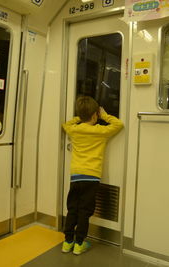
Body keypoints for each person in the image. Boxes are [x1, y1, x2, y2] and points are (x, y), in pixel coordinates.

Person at [61, 96, 123, 255]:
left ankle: (67, 242)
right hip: (91, 177)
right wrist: (104, 116)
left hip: (76, 176)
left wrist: (80, 117)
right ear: (95, 115)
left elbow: (66, 124)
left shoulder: (74, 129)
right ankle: (79, 243)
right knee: (85, 211)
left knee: (72, 208)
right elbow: (119, 124)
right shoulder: (100, 131)